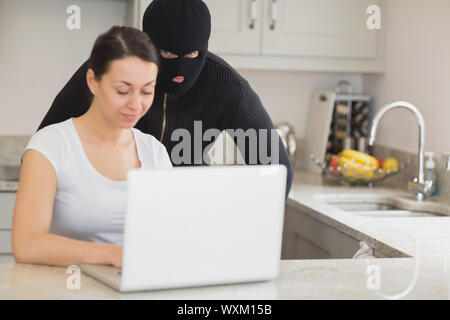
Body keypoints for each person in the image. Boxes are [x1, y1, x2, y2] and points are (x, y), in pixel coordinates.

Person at [38, 0, 294, 196]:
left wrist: (245, 224)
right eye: (167, 54)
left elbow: (276, 170)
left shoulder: (226, 85)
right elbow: (47, 142)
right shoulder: (113, 70)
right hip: (109, 202)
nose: (180, 69)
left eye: (193, 54)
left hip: (187, 207)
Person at [12, 26, 171, 268]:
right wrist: (113, 256)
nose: (136, 104)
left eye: (147, 91)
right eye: (123, 91)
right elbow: (27, 245)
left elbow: (170, 234)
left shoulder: (154, 152)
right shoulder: (51, 146)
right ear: (93, 81)